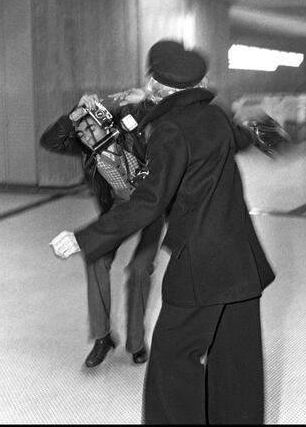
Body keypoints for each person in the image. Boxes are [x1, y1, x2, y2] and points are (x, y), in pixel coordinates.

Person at [50, 40, 276, 424]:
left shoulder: (171, 129)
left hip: (202, 267)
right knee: (236, 361)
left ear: (155, 83)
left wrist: (85, 238)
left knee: (172, 362)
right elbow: (243, 137)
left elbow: (148, 202)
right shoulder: (215, 116)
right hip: (241, 261)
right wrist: (269, 131)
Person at [41, 91, 164, 367]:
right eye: (81, 132)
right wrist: (72, 115)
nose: (85, 135)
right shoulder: (86, 149)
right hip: (119, 206)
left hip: (150, 202)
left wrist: (146, 95)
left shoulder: (127, 127)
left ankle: (136, 341)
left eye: (90, 127)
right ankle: (102, 337)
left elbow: (152, 109)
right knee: (95, 257)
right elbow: (50, 141)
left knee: (140, 269)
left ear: (103, 121)